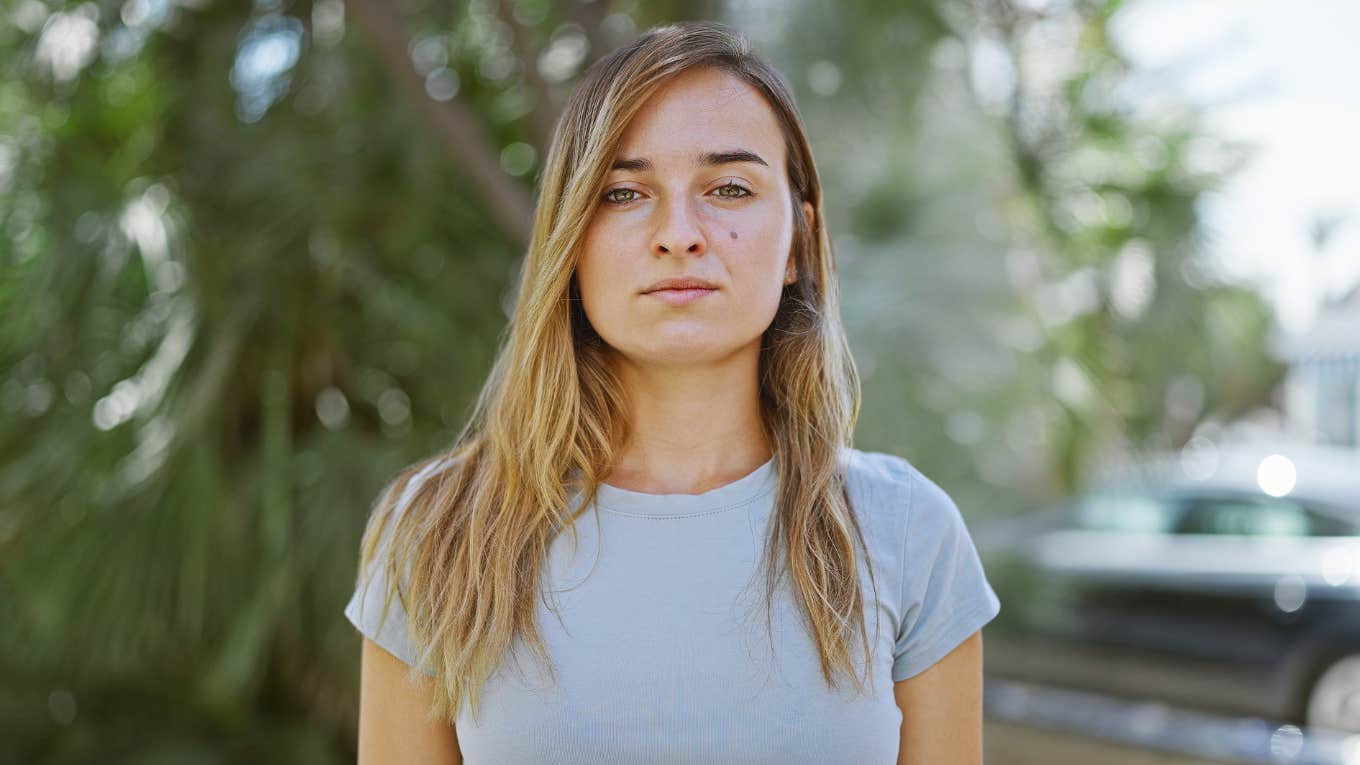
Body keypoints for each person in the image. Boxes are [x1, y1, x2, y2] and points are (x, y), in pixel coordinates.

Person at [345, 19, 1000, 765]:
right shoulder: (440, 528)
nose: (679, 233)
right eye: (624, 192)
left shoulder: (909, 532)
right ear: (571, 238)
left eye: (728, 188)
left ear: (797, 240)